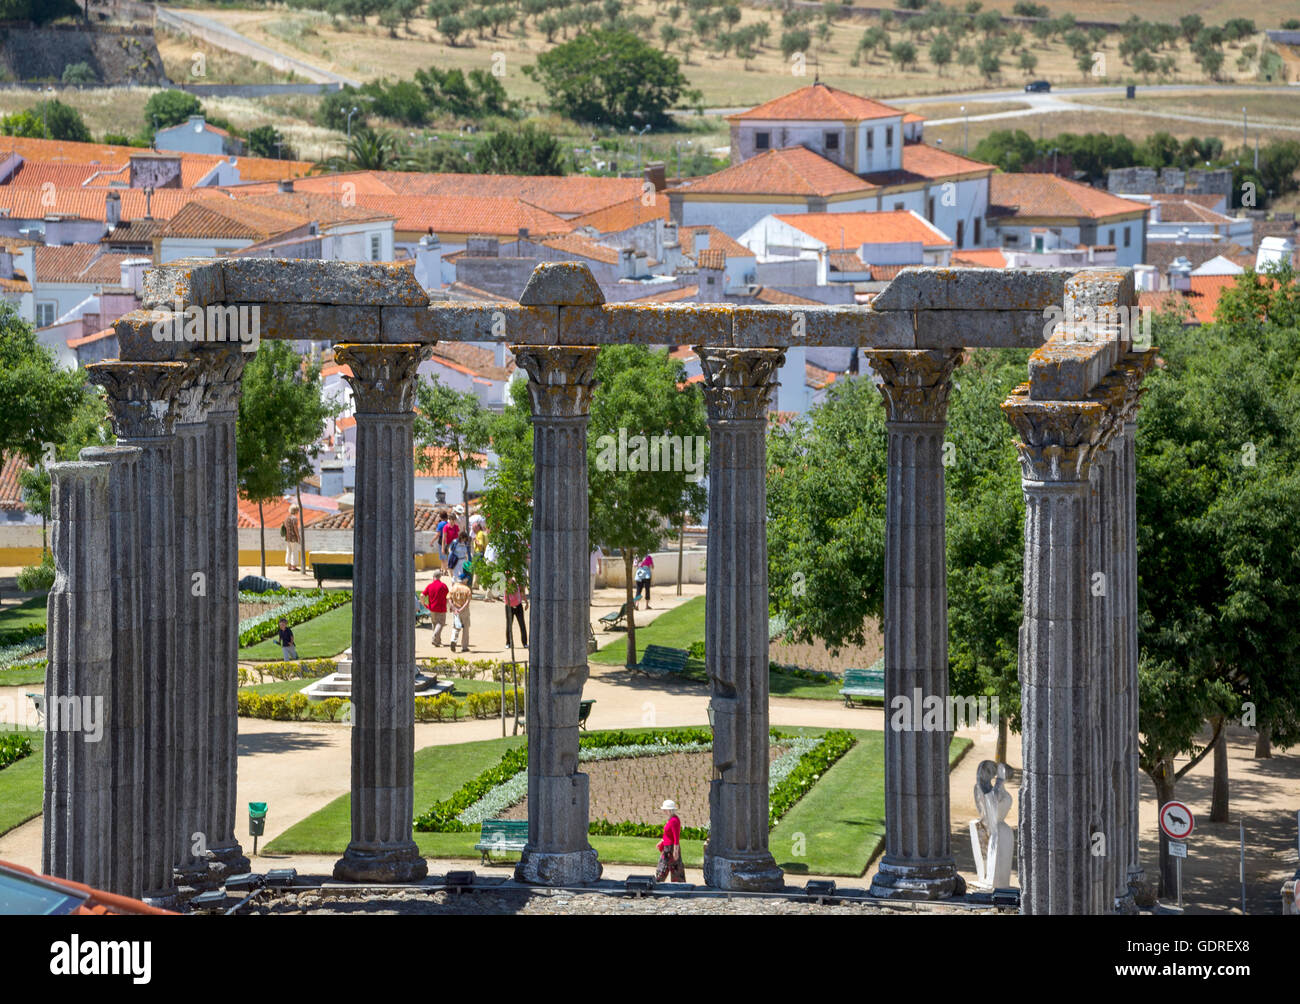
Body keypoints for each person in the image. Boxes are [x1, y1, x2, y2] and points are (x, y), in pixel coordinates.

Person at [655, 799, 685, 883]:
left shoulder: (674, 820)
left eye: (665, 809)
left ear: (670, 810)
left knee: (673, 869)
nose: (664, 811)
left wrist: (675, 851)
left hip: (671, 848)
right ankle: (658, 883)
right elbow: (668, 834)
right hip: (667, 847)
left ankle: (679, 887)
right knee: (664, 868)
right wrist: (662, 841)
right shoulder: (671, 819)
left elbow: (676, 837)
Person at [422, 569, 449, 647]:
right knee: (441, 623)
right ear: (440, 577)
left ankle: (438, 641)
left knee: (434, 623)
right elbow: (448, 597)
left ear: (433, 577)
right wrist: (446, 604)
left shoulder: (430, 586)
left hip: (432, 608)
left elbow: (422, 595)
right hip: (441, 608)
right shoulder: (444, 586)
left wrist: (424, 603)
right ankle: (434, 637)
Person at [448, 577, 472, 652]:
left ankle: (453, 640)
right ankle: (464, 647)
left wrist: (453, 608)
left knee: (456, 627)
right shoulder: (467, 589)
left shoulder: (453, 588)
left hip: (456, 610)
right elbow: (467, 601)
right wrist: (462, 609)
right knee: (466, 628)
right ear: (464, 580)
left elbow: (449, 599)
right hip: (464, 611)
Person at [505, 577, 527, 649]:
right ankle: (508, 643)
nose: (510, 580)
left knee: (522, 624)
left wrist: (526, 602)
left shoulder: (518, 584)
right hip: (509, 606)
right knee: (509, 625)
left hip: (518, 606)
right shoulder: (506, 585)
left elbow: (522, 593)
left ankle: (524, 643)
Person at [281, 504, 302, 572]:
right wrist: (298, 536)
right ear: (296, 511)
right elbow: (295, 528)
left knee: (289, 551)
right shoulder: (294, 518)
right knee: (294, 551)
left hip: (288, 537)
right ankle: (294, 566)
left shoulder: (287, 518)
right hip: (293, 537)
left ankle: (289, 566)